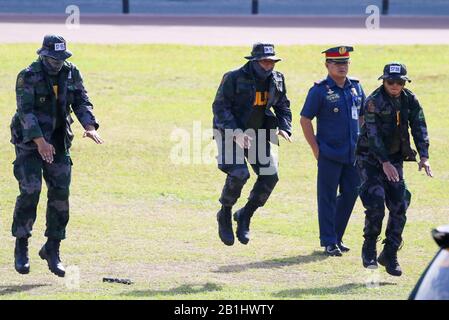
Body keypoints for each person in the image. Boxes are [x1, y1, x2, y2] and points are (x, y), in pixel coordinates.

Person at [10, 34, 103, 277]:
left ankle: (52, 247)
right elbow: (25, 112)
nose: (57, 63)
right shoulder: (28, 75)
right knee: (31, 190)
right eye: (53, 59)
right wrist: (40, 142)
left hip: (59, 139)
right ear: (43, 55)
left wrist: (89, 126)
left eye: (61, 58)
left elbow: (81, 101)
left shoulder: (71, 73)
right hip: (29, 142)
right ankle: (22, 244)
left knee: (61, 192)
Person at [356, 62, 432, 276]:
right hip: (369, 159)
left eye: (400, 82)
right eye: (391, 82)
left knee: (400, 203)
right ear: (384, 81)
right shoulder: (373, 102)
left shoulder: (410, 100)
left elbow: (419, 126)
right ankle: (369, 247)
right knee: (376, 201)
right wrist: (384, 163)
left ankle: (390, 252)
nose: (395, 86)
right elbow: (372, 135)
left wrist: (424, 156)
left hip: (394, 159)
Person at [212, 43, 292, 246]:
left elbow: (283, 105)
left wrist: (284, 127)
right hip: (230, 134)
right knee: (240, 174)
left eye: (272, 61)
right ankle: (225, 213)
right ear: (254, 61)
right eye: (264, 62)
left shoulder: (277, 79)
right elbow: (220, 108)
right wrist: (236, 133)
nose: (268, 66)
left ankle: (245, 215)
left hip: (257, 134)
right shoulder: (233, 77)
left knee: (270, 176)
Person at [300, 46, 365, 256]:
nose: (342, 67)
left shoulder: (356, 87)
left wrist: (363, 143)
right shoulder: (319, 90)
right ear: (327, 65)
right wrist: (315, 149)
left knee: (350, 194)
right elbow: (305, 119)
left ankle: (337, 236)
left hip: (353, 154)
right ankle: (328, 241)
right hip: (329, 154)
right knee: (327, 197)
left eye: (345, 62)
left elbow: (362, 115)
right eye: (337, 63)